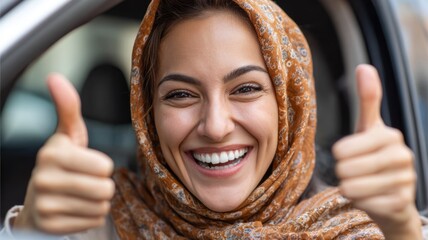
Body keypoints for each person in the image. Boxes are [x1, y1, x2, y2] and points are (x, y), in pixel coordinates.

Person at [2, 0, 426, 239]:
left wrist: (404, 229)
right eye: (181, 95)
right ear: (148, 116)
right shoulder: (100, 223)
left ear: (289, 107)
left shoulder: (365, 230)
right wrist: (33, 231)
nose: (216, 125)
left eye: (245, 89)